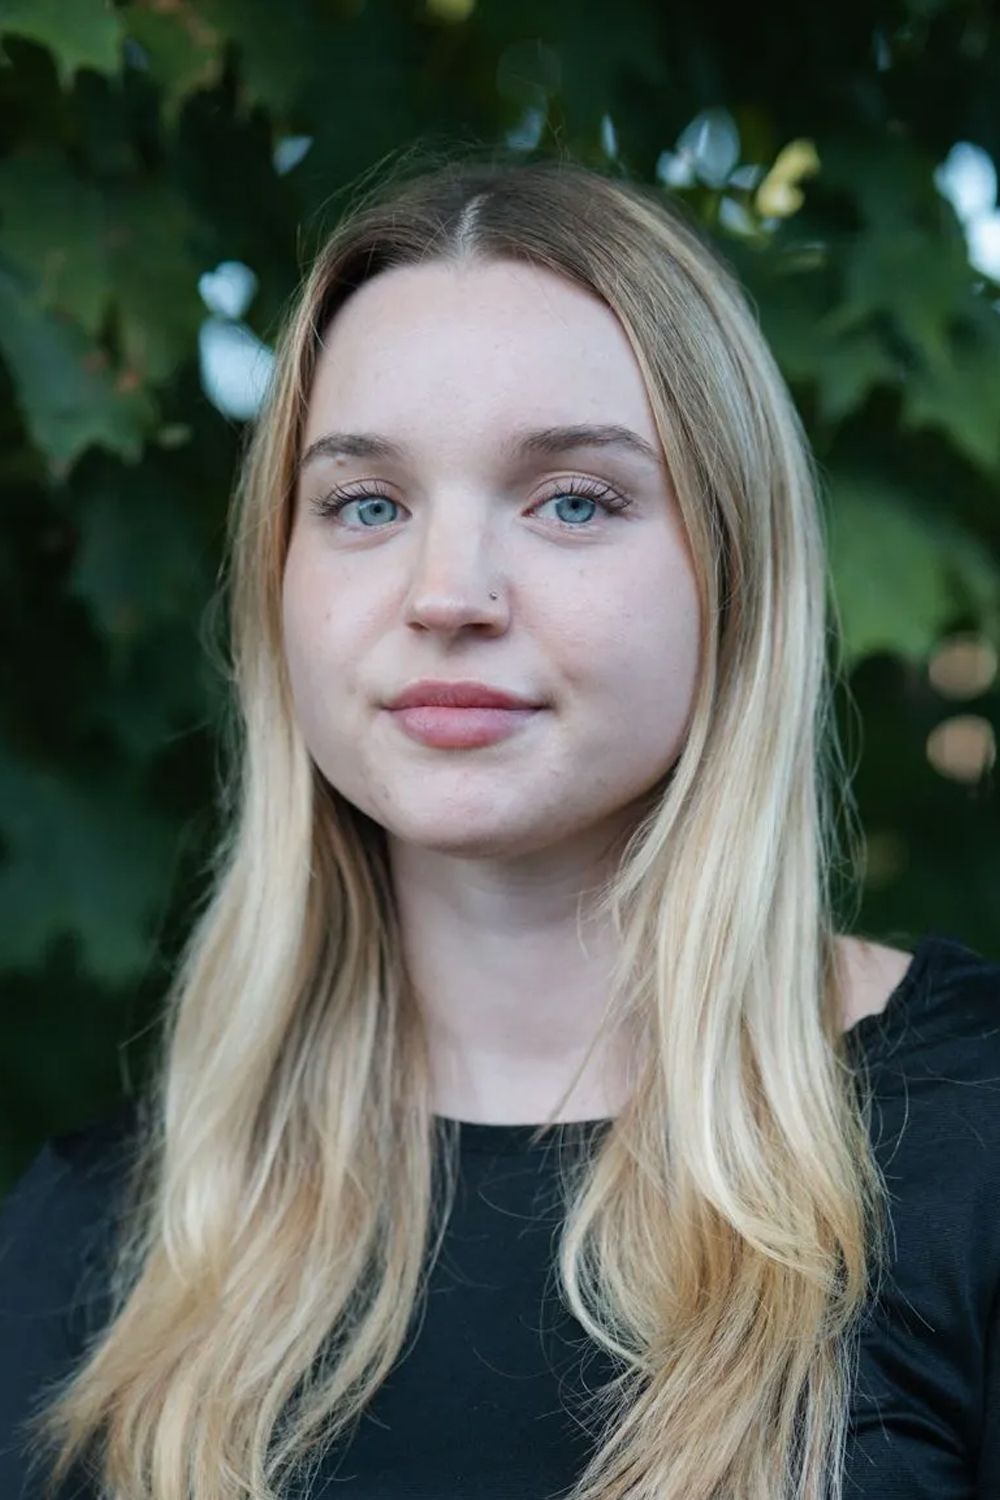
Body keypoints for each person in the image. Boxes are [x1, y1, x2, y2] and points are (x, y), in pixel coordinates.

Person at [1, 149, 999, 1500]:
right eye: (367, 503)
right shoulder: (103, 1239)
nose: (447, 593)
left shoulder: (972, 1147)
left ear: (738, 573)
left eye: (573, 500)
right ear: (279, 587)